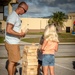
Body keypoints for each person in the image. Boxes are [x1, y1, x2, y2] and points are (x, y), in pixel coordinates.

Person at [5, 2, 28, 75]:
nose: (25, 13)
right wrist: (19, 34)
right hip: (12, 43)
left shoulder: (16, 16)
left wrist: (21, 34)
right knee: (12, 62)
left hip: (14, 42)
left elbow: (14, 29)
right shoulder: (13, 16)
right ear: (21, 8)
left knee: (14, 62)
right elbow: (8, 30)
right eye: (25, 11)